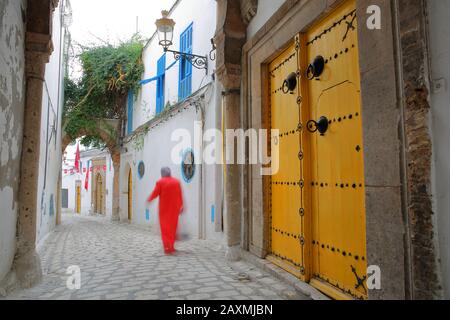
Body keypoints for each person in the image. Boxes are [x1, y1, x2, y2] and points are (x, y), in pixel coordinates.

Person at [147, 167, 184, 254]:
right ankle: (171, 246)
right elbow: (180, 195)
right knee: (173, 228)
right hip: (175, 209)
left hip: (164, 209)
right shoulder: (177, 182)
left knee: (165, 228)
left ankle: (167, 247)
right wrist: (182, 206)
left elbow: (155, 193)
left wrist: (149, 199)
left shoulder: (160, 182)